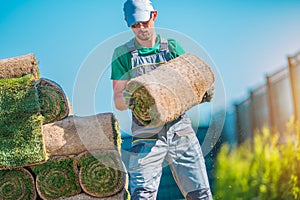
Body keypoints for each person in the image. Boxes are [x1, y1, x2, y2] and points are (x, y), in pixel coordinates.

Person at [111, 0, 213, 199]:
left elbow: (192, 80)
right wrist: (135, 96)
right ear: (127, 23)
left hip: (180, 130)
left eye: (144, 22)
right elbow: (117, 100)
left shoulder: (172, 48)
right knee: (142, 195)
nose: (140, 28)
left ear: (154, 16)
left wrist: (202, 89)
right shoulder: (122, 55)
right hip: (145, 135)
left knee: (200, 194)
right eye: (134, 25)